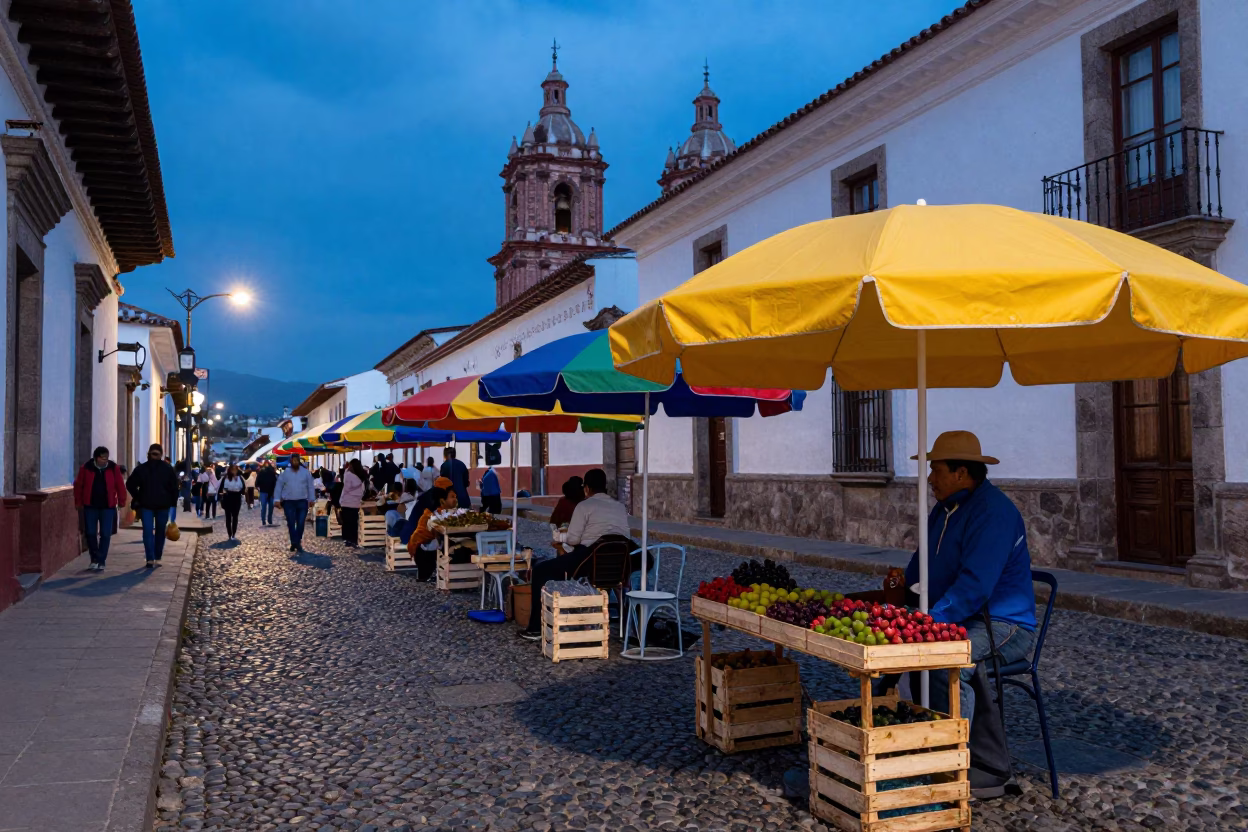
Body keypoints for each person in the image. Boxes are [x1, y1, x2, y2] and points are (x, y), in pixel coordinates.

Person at [901, 430, 1036, 799]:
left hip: (1005, 624)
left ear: (962, 473)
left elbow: (975, 586)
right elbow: (920, 568)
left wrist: (930, 623)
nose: (930, 478)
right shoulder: (942, 510)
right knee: (903, 657)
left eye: (937, 469)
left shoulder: (993, 512)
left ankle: (973, 767)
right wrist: (902, 582)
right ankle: (917, 747)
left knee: (946, 661)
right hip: (958, 617)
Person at [520, 468, 634, 641]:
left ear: (586, 488)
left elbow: (572, 539)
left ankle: (535, 628)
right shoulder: (619, 507)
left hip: (588, 562)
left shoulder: (584, 505)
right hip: (619, 566)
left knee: (541, 570)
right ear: (606, 486)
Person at [73, 446, 127, 572]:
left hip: (107, 506)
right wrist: (78, 502)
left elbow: (120, 485)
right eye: (103, 458)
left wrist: (121, 501)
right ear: (96, 458)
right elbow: (79, 486)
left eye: (107, 458)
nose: (105, 460)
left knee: (105, 533)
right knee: (90, 533)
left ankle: (101, 560)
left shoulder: (113, 468)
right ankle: (94, 559)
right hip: (90, 506)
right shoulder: (86, 468)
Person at [126, 443, 179, 568]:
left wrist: (173, 503)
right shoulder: (142, 469)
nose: (154, 456)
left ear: (161, 455)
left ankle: (157, 555)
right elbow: (130, 484)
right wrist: (138, 496)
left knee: (160, 531)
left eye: (157, 454)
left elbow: (174, 488)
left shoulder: (167, 469)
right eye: (152, 454)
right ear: (149, 454)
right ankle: (150, 558)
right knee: (148, 531)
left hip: (162, 506)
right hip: (147, 505)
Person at [406, 485, 457, 580]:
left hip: (418, 547)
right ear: (442, 500)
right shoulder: (432, 516)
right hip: (423, 552)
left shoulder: (432, 511)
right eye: (452, 497)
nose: (455, 500)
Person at [274, 453, 317, 553]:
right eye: (293, 461)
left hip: (302, 501)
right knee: (291, 523)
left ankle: (296, 541)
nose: (295, 462)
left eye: (296, 461)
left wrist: (312, 499)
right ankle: (295, 542)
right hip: (288, 502)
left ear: (299, 461)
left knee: (301, 523)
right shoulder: (285, 473)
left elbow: (310, 486)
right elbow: (279, 487)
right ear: (290, 461)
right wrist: (276, 500)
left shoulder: (306, 473)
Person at [339, 458, 367, 548]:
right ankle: (354, 540)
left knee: (346, 522)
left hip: (346, 501)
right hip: (356, 503)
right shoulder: (361, 475)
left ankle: (347, 539)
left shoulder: (348, 475)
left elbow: (346, 488)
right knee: (354, 522)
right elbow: (363, 489)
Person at [217, 462, 247, 540]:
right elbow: (220, 489)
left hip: (237, 497)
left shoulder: (240, 478)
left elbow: (244, 488)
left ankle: (234, 533)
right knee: (228, 517)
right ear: (229, 470)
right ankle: (229, 534)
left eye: (235, 469)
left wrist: (241, 492)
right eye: (232, 469)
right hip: (228, 497)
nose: (234, 471)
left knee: (235, 517)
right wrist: (221, 495)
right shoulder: (226, 478)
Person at [256, 461, 278, 526]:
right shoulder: (272, 473)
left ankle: (264, 520)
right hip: (270, 492)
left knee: (264, 507)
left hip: (264, 492)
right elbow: (275, 483)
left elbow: (257, 483)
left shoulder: (261, 473)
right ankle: (269, 519)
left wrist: (259, 489)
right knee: (270, 507)